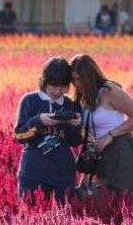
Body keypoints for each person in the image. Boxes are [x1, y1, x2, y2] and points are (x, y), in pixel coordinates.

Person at [70, 54, 133, 210]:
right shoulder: (83, 99)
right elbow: (91, 139)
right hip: (104, 159)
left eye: (80, 79)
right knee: (96, 204)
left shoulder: (109, 90)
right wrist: (85, 177)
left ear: (90, 75)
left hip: (124, 156)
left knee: (127, 207)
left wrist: (110, 136)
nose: (77, 83)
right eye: (74, 79)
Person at [13, 57, 83, 204]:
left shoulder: (71, 105)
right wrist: (38, 121)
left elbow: (75, 142)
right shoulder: (30, 101)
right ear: (44, 82)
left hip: (62, 175)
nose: (57, 92)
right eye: (53, 87)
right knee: (28, 219)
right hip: (32, 173)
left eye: (63, 88)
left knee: (63, 221)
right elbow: (19, 136)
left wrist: (76, 125)